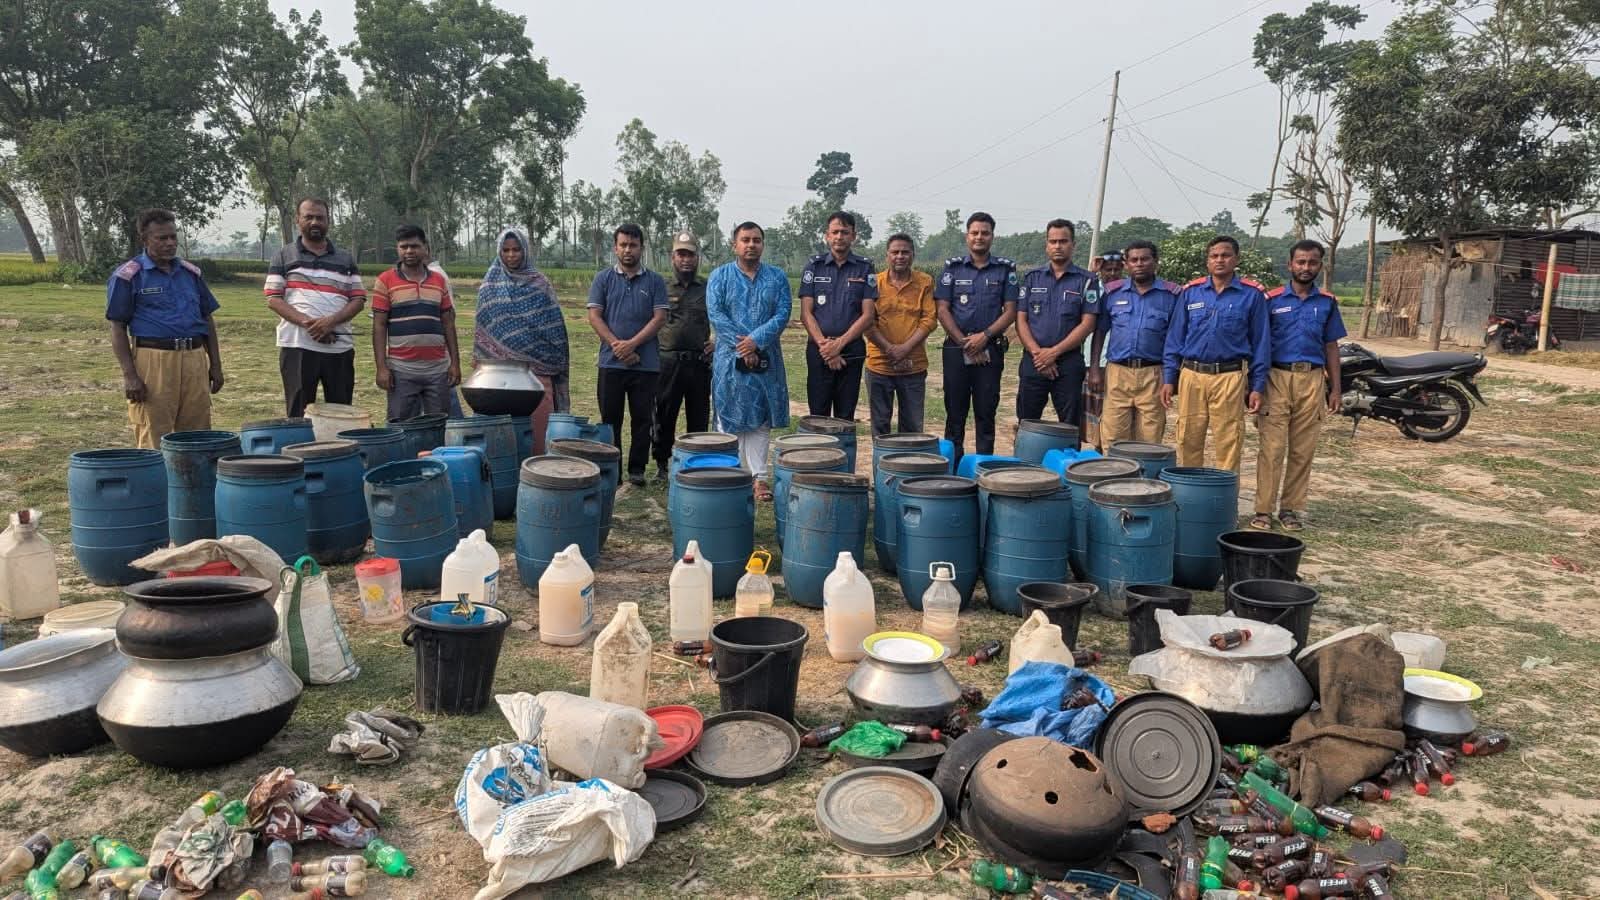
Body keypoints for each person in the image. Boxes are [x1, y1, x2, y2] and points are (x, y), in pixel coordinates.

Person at [106, 208, 224, 448]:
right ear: (144, 239)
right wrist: (130, 376)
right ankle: (154, 474)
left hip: (194, 358)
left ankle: (193, 474)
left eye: (173, 237)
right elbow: (117, 327)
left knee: (197, 433)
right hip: (154, 360)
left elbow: (207, 319)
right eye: (161, 238)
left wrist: (216, 365)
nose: (170, 243)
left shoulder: (190, 274)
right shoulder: (129, 276)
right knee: (154, 430)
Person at [1252, 240, 1346, 532]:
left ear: (1320, 266)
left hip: (1312, 380)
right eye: (1301, 262)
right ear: (1290, 264)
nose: (1306, 268)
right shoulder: (1270, 300)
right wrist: (1254, 385)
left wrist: (1336, 389)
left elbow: (1331, 347)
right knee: (1272, 448)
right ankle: (1263, 510)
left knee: (1302, 450)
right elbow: (1259, 344)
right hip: (1276, 379)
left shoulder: (1327, 302)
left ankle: (1290, 509)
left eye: (1312, 262)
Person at [1160, 235, 1271, 473]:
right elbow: (1175, 339)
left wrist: (1257, 386)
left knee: (1229, 441)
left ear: (1236, 259)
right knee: (1187, 438)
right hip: (1192, 374)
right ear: (1207, 261)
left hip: (1230, 376)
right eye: (1214, 256)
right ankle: (1190, 491)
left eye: (1226, 255)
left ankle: (1224, 494)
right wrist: (1169, 378)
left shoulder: (1251, 295)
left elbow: (1261, 343)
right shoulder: (1191, 293)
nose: (1220, 260)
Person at [707, 221, 791, 500]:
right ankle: (730, 474)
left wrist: (756, 341)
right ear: (735, 245)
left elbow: (783, 313)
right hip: (729, 359)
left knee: (760, 417)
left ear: (762, 245)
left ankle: (759, 478)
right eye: (745, 240)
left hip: (766, 357)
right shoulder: (719, 276)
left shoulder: (777, 277)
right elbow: (716, 314)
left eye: (756, 240)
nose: (751, 245)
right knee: (729, 412)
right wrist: (744, 347)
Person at [934, 212, 1022, 467]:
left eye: (985, 233)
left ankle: (983, 469)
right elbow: (942, 309)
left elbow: (1011, 311)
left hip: (990, 350)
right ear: (967, 236)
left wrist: (984, 337)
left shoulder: (1005, 270)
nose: (979, 237)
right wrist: (966, 343)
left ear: (992, 236)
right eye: (975, 232)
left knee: (986, 413)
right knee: (955, 414)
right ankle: (954, 471)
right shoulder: (952, 268)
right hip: (956, 348)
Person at [265, 197, 367, 417]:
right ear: (297, 220)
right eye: (308, 217)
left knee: (342, 414)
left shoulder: (345, 259)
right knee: (298, 414)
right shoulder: (283, 255)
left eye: (320, 218)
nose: (314, 222)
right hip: (298, 346)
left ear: (328, 221)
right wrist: (311, 325)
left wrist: (330, 323)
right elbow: (273, 298)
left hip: (339, 347)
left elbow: (358, 300)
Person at [475, 228, 569, 457]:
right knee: (501, 436)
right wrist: (480, 362)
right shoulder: (489, 286)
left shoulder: (540, 284)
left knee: (538, 433)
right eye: (506, 250)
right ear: (499, 251)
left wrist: (550, 359)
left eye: (516, 249)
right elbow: (483, 328)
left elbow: (554, 327)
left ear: (525, 251)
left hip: (537, 373)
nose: (511, 255)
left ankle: (538, 473)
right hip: (498, 377)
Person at [588, 223, 670, 485]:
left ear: (641, 248)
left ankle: (637, 469)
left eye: (633, 245)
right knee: (610, 420)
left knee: (642, 419)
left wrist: (632, 344)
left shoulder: (655, 281)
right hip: (610, 363)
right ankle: (613, 471)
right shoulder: (603, 279)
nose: (628, 250)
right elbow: (595, 317)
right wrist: (618, 347)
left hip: (646, 365)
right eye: (623, 245)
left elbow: (660, 317)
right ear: (615, 248)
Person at [1089, 240, 1181, 444]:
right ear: (1127, 264)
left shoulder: (1172, 295)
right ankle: (1114, 467)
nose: (1139, 264)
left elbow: (1175, 341)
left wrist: (1170, 378)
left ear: (1155, 262)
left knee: (1149, 439)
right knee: (1113, 437)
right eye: (1134, 260)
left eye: (1144, 259)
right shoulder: (1112, 293)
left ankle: (1143, 467)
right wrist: (1095, 368)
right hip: (1117, 373)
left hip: (1153, 374)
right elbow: (1100, 332)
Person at [370, 224, 461, 422]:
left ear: (425, 248)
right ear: (397, 249)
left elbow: (448, 323)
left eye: (414, 246)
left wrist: (455, 363)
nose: (409, 251)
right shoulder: (385, 280)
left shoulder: (439, 280)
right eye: (404, 247)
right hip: (401, 370)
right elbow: (379, 326)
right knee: (402, 427)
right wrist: (381, 368)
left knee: (439, 425)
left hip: (437, 369)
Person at [1015, 219, 1098, 428]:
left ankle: (1068, 453)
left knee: (1070, 426)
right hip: (1034, 361)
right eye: (1053, 241)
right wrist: (1039, 355)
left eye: (1063, 241)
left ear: (1073, 245)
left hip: (1068, 363)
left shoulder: (1087, 281)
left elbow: (1088, 324)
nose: (1058, 246)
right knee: (1026, 423)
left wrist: (1053, 353)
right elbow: (1021, 320)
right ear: (1047, 245)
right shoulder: (1032, 278)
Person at [799, 212, 877, 419]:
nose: (839, 237)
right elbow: (806, 313)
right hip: (819, 349)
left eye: (845, 232)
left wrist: (839, 345)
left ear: (853, 236)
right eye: (835, 232)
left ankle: (844, 443)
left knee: (845, 415)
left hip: (851, 349)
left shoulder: (865, 267)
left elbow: (868, 314)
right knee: (818, 413)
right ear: (827, 235)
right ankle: (818, 444)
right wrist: (827, 348)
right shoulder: (814, 266)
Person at [652, 231, 714, 480]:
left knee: (699, 416)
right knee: (665, 414)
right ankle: (662, 463)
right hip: (669, 362)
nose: (686, 259)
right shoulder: (661, 287)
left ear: (697, 258)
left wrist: (717, 342)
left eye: (690, 255)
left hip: (700, 363)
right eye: (681, 254)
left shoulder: (708, 287)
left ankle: (695, 463)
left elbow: (722, 317)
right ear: (673, 257)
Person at [864, 233, 936, 436]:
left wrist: (905, 349)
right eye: (895, 252)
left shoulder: (925, 282)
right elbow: (867, 321)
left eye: (905, 252)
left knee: (912, 429)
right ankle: (881, 459)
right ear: (887, 255)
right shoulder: (874, 283)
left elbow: (929, 319)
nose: (900, 256)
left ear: (913, 255)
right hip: (879, 365)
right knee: (880, 428)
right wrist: (889, 349)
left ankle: (909, 459)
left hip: (913, 366)